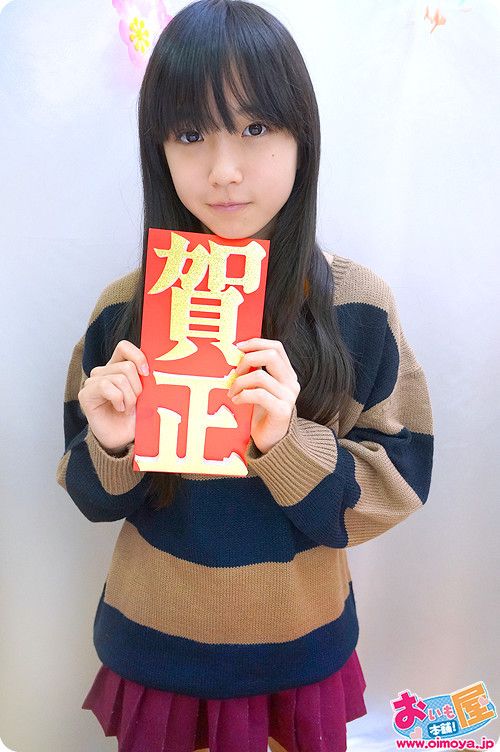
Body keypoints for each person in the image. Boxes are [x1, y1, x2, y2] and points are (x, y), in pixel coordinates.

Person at [55, 0, 434, 750]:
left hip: (300, 653)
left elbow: (399, 485)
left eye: (256, 127)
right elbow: (91, 496)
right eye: (191, 133)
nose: (223, 170)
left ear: (302, 137)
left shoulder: (358, 307)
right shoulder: (123, 311)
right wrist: (113, 444)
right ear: (159, 149)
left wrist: (286, 444)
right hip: (157, 649)